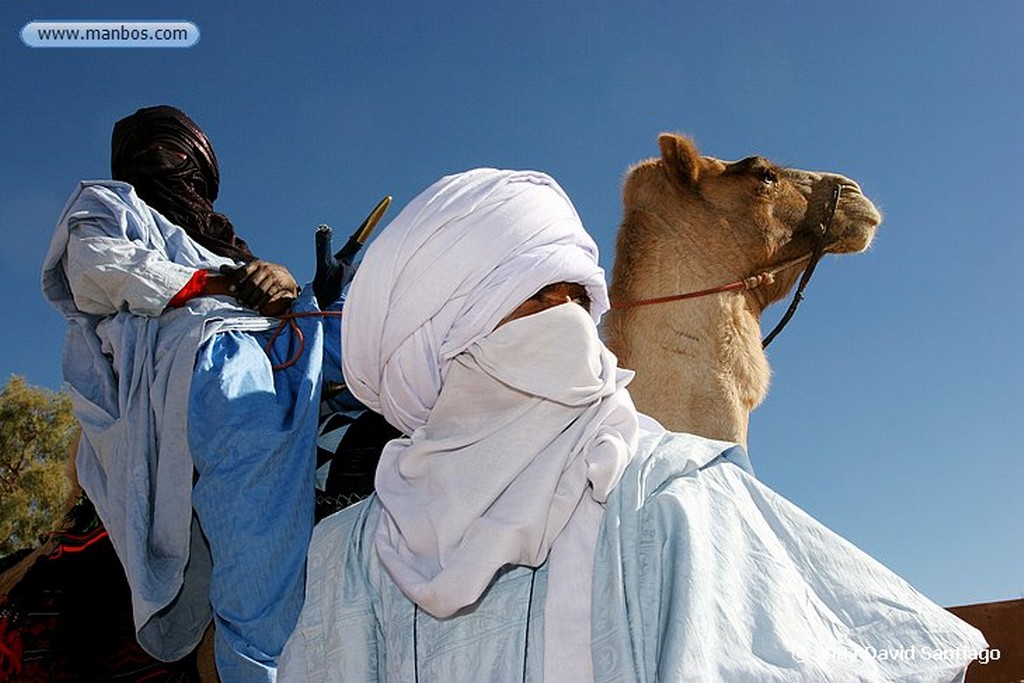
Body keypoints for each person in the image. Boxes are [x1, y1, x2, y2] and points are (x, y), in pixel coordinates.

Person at [278, 168, 987, 681]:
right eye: (530, 299)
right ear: (440, 343)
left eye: (572, 296)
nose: (564, 323)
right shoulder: (348, 556)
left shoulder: (676, 492)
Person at [42, 106, 352, 682]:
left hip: (276, 348)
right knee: (257, 522)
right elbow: (101, 270)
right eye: (154, 152)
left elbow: (283, 307)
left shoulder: (230, 248)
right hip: (202, 362)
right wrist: (232, 281)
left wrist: (306, 290)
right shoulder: (112, 206)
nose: (167, 163)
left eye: (177, 153)